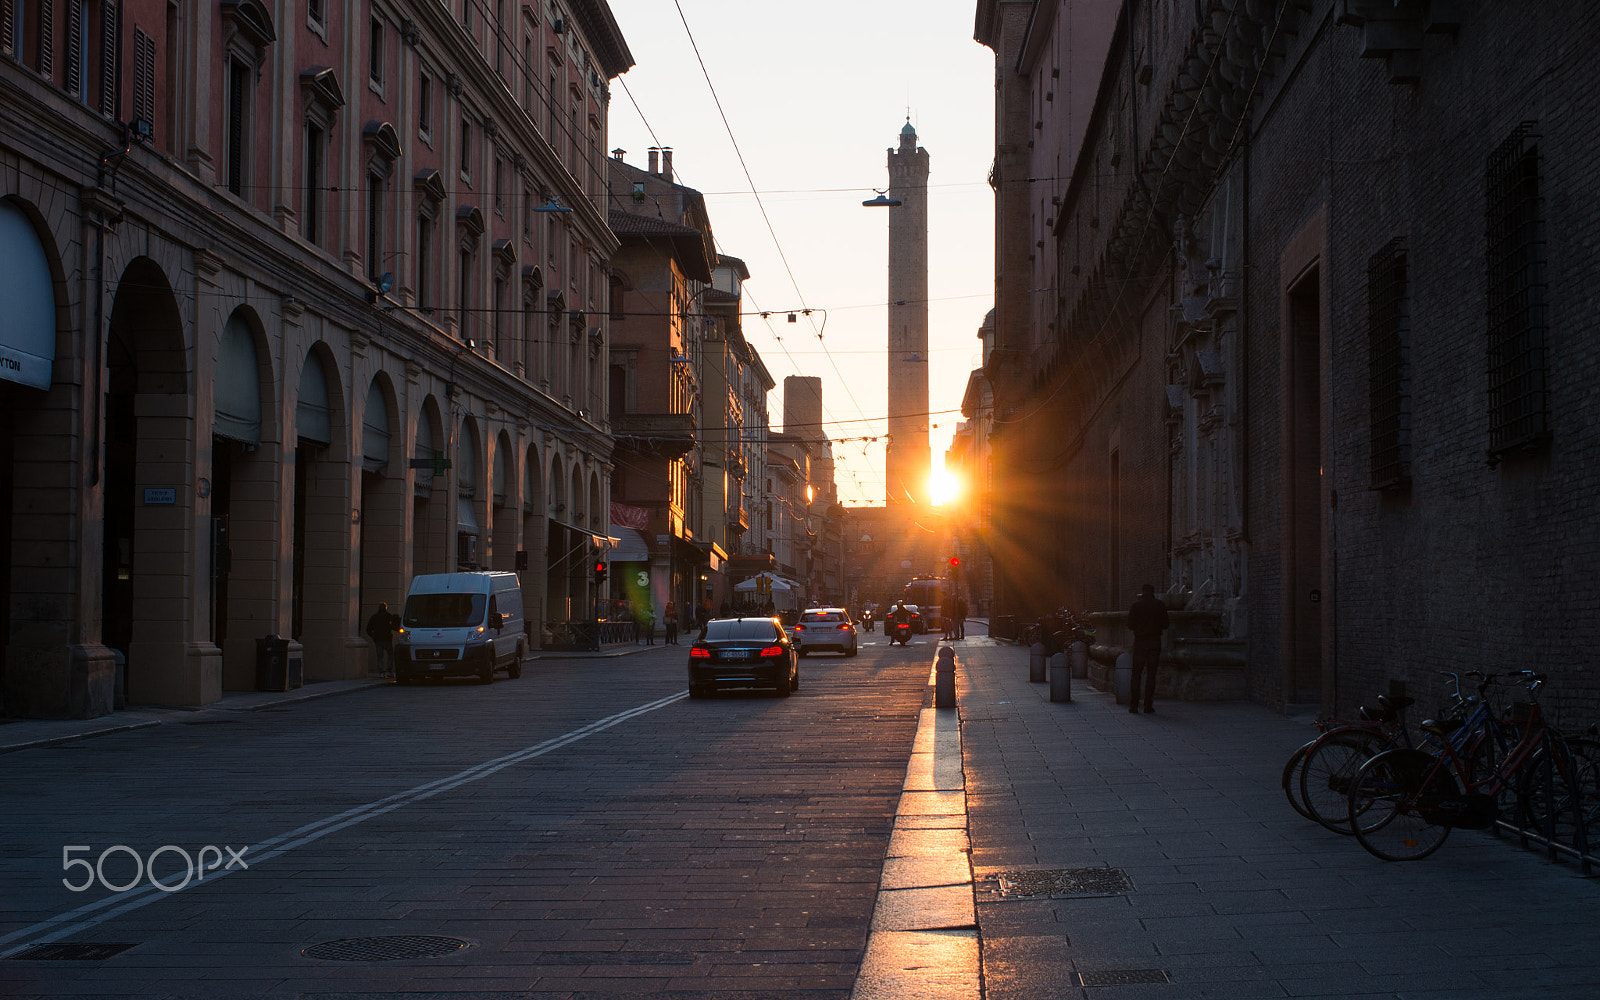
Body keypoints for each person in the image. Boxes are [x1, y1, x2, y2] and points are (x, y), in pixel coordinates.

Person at [1127, 583, 1170, 714]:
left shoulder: (1136, 605)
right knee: (1151, 675)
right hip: (1154, 642)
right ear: (1153, 592)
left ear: (1142, 592)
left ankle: (1134, 705)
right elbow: (1166, 624)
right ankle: (1148, 705)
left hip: (1140, 642)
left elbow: (1130, 625)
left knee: (1136, 674)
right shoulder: (1159, 605)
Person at [365, 602, 399, 678]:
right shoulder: (388, 616)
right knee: (390, 655)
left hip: (378, 640)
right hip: (387, 639)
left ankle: (381, 672)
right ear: (386, 608)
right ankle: (389, 671)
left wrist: (373, 636)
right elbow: (394, 626)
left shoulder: (374, 617)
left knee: (380, 656)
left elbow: (368, 629)